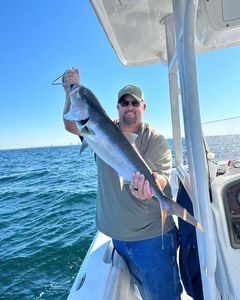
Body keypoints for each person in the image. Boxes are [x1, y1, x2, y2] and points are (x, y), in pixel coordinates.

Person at [62, 68, 183, 300]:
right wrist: (70, 91)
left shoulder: (155, 139)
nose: (129, 107)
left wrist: (150, 188)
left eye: (134, 103)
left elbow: (161, 176)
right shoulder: (98, 127)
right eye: (123, 102)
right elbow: (70, 124)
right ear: (117, 107)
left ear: (143, 107)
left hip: (151, 240)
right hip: (117, 238)